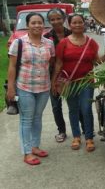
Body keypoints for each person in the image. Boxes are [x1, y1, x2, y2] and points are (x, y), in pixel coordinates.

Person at [51, 14, 105, 152]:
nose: (77, 25)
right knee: (73, 110)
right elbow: (58, 63)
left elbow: (96, 62)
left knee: (86, 109)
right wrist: (54, 81)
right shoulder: (63, 43)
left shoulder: (91, 43)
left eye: (80, 22)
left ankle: (89, 138)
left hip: (86, 82)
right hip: (69, 82)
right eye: (74, 23)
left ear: (84, 24)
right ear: (69, 25)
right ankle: (76, 136)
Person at [7, 12, 55, 165]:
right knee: (26, 119)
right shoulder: (19, 43)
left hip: (44, 87)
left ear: (44, 25)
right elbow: (12, 66)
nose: (37, 25)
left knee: (37, 117)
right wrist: (11, 88)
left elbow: (51, 64)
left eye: (39, 22)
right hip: (24, 87)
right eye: (33, 23)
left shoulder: (49, 43)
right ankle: (27, 152)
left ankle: (35, 146)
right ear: (27, 25)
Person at [44, 8, 84, 143]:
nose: (56, 22)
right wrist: (53, 81)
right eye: (52, 19)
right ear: (49, 21)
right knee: (56, 106)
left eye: (58, 18)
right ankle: (61, 131)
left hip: (72, 75)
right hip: (53, 76)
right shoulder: (47, 38)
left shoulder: (72, 33)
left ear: (64, 19)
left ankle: (84, 129)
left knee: (76, 104)